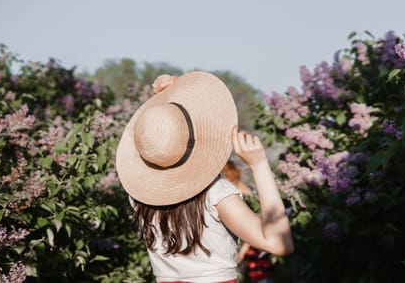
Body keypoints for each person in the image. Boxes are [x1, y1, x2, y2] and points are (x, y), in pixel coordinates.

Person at [115, 71, 294, 283]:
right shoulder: (215, 195)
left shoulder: (140, 197)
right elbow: (279, 244)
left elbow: (159, 131)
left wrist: (167, 96)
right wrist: (260, 166)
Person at [221, 161, 276, 283]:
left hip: (253, 243)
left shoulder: (245, 195)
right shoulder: (245, 191)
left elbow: (257, 221)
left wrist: (244, 248)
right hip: (250, 242)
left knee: (260, 276)